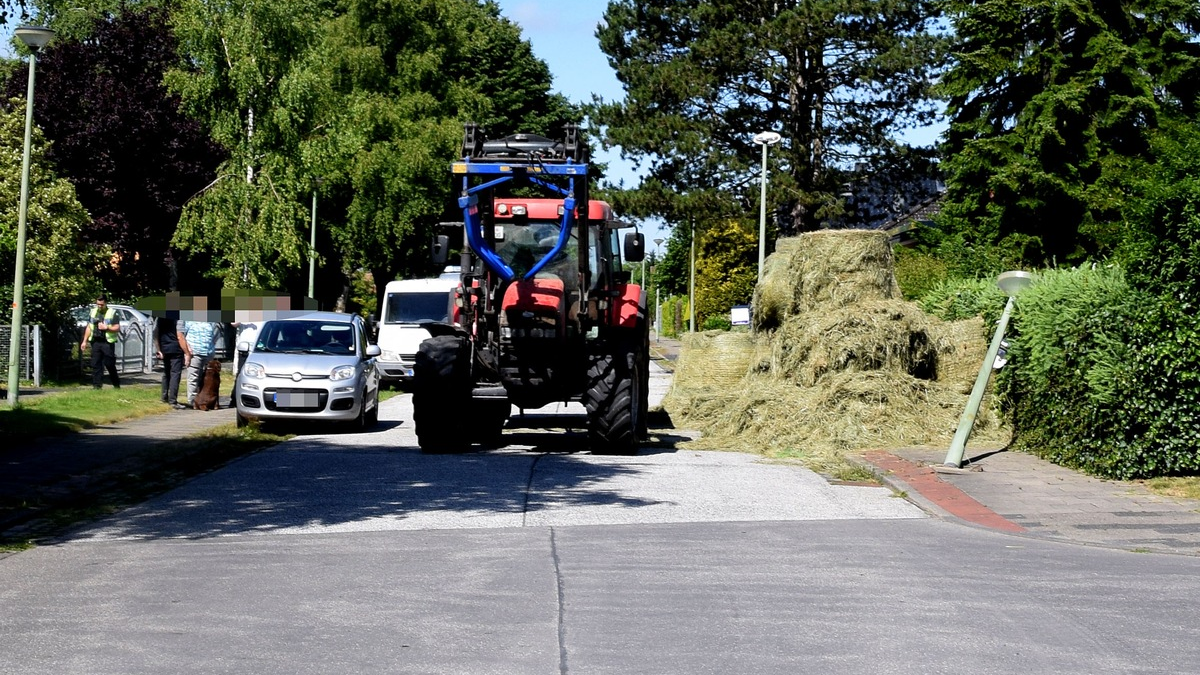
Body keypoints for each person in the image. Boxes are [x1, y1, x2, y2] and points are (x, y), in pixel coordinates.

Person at [80, 294, 121, 389]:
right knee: (95, 364)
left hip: (107, 342)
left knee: (109, 364)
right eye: (97, 304)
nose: (99, 306)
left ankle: (116, 384)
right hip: (96, 341)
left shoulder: (112, 313)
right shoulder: (93, 312)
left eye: (101, 304)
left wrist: (106, 328)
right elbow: (89, 327)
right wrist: (84, 341)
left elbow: (117, 327)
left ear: (105, 303)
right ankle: (96, 386)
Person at [154, 316, 192, 409]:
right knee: (175, 374)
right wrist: (187, 353)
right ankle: (173, 400)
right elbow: (180, 336)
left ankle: (164, 397)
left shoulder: (160, 318)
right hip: (176, 348)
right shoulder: (178, 319)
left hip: (164, 347)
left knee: (166, 373)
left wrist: (158, 349)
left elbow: (155, 333)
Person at [183, 318, 220, 408]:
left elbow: (215, 335)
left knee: (209, 380)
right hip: (194, 353)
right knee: (194, 377)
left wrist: (211, 346)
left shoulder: (211, 320)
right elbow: (182, 335)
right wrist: (187, 351)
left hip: (208, 352)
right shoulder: (189, 320)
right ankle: (193, 402)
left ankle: (208, 401)